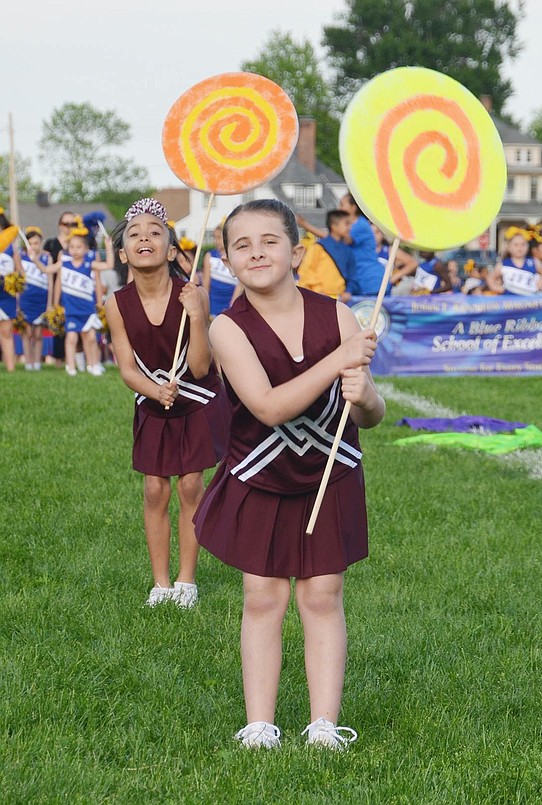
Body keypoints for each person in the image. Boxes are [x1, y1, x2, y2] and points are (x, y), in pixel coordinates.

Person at [193, 199, 385, 749]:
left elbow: (370, 415)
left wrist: (368, 394)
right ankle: (260, 722)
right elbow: (270, 407)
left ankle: (324, 723)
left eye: (270, 241)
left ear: (297, 252)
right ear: (227, 260)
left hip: (331, 471)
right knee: (262, 595)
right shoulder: (228, 329)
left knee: (324, 593)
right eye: (242, 245)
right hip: (263, 476)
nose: (257, 252)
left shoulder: (339, 316)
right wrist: (338, 361)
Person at [106, 198, 230, 608]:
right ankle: (160, 585)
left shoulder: (192, 294)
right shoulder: (115, 303)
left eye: (155, 232)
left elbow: (199, 367)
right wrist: (152, 389)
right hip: (153, 399)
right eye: (135, 233)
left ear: (172, 251)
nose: (145, 237)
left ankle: (186, 582)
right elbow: (126, 368)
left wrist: (197, 316)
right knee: (155, 490)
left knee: (191, 485)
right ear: (123, 252)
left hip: (196, 399)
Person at [53, 225, 114, 376]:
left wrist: (108, 248)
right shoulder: (64, 262)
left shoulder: (89, 262)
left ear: (86, 249)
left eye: (79, 247)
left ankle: (93, 364)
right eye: (72, 246)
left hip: (87, 308)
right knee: (72, 337)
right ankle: (71, 367)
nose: (75, 250)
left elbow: (108, 265)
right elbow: (51, 274)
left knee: (91, 337)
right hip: (71, 309)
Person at [299, 193, 385, 296]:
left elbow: (334, 238)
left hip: (369, 280)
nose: (339, 207)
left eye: (342, 204)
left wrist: (306, 225)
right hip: (359, 281)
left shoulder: (360, 225)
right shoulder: (322, 247)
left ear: (353, 208)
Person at [19, 227, 58, 370]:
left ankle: (37, 362)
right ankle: (28, 362)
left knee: (38, 333)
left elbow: (50, 281)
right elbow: (18, 280)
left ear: (41, 243)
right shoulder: (21, 257)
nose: (34, 246)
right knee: (26, 332)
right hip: (25, 299)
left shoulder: (46, 257)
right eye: (31, 243)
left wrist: (50, 302)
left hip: (41, 299)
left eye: (36, 243)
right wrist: (18, 302)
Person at [43, 212, 79, 367]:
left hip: (76, 291)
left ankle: (78, 360)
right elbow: (47, 269)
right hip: (57, 287)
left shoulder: (81, 244)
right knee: (59, 326)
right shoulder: (51, 244)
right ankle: (58, 360)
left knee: (78, 326)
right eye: (66, 224)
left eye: (73, 224)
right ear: (59, 225)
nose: (69, 227)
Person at [296, 209, 356, 299]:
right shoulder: (318, 247)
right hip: (316, 297)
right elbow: (306, 271)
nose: (350, 228)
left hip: (339, 299)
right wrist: (318, 291)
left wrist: (348, 291)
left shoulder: (348, 250)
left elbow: (352, 275)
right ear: (334, 226)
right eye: (346, 224)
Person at [492, 227, 542, 295]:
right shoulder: (504, 264)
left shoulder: (532, 262)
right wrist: (496, 288)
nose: (520, 248)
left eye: (523, 244)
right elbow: (490, 277)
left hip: (528, 299)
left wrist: (540, 283)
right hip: (509, 300)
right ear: (509, 247)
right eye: (516, 245)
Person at [0, 208, 21, 372]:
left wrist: (16, 283)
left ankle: (11, 368)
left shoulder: (11, 246)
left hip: (6, 294)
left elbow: (20, 272)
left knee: (6, 332)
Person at [370, 223, 417, 295]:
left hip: (386, 292)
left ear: (383, 234)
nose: (374, 236)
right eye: (370, 232)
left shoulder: (390, 250)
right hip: (367, 291)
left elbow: (413, 263)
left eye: (377, 232)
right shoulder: (361, 251)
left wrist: (394, 277)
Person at [202, 224, 238, 317]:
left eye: (219, 238)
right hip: (213, 304)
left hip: (230, 303)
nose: (217, 241)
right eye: (215, 238)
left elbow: (240, 285)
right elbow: (206, 283)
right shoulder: (209, 256)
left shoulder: (236, 258)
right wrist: (205, 305)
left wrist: (232, 306)